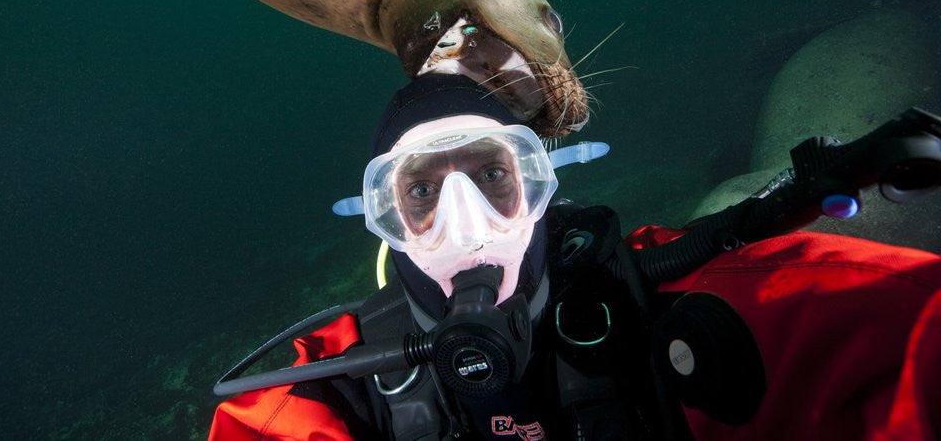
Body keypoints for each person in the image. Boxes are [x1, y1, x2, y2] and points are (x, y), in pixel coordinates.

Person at [208, 73, 941, 440]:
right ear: (388, 218)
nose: (467, 226)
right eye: (423, 191)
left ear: (538, 186)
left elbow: (902, 329)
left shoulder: (673, 302)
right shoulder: (330, 385)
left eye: (493, 175)